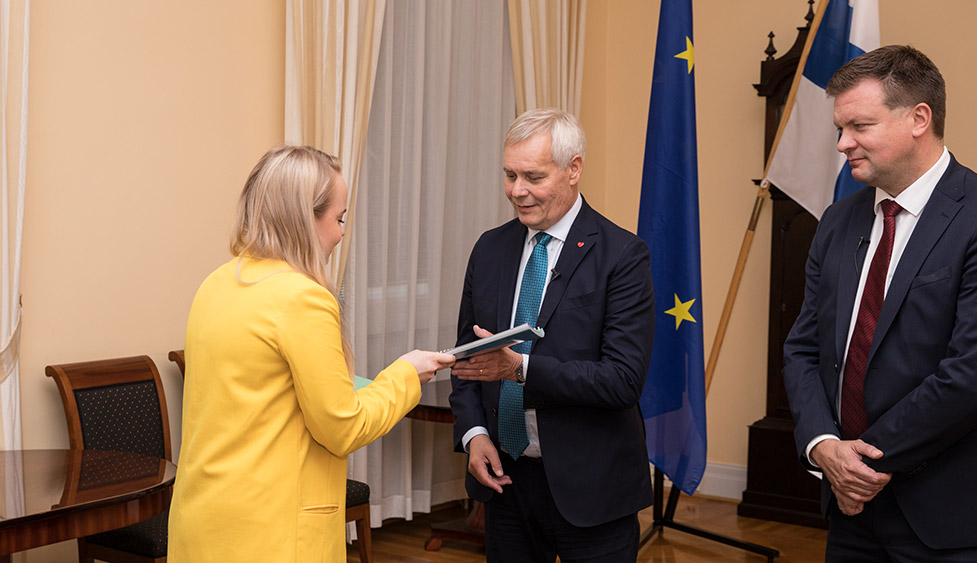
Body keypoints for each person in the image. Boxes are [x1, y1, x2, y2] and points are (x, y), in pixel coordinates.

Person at [167, 145, 455, 562]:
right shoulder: (302, 298)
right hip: (272, 533)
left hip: (203, 522)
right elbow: (343, 428)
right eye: (339, 219)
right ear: (306, 218)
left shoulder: (216, 284)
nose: (341, 233)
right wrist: (405, 374)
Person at [783, 45, 977, 561]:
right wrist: (823, 446)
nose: (843, 143)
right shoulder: (837, 221)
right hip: (850, 509)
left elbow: (974, 374)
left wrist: (862, 463)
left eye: (859, 126)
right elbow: (803, 349)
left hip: (950, 515)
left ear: (919, 119)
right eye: (840, 128)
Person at [448, 108, 656, 562]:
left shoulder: (622, 255)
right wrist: (474, 434)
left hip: (592, 488)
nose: (516, 190)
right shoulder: (489, 248)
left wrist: (520, 368)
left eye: (533, 177)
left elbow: (622, 380)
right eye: (510, 175)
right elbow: (468, 359)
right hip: (505, 482)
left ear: (573, 169)